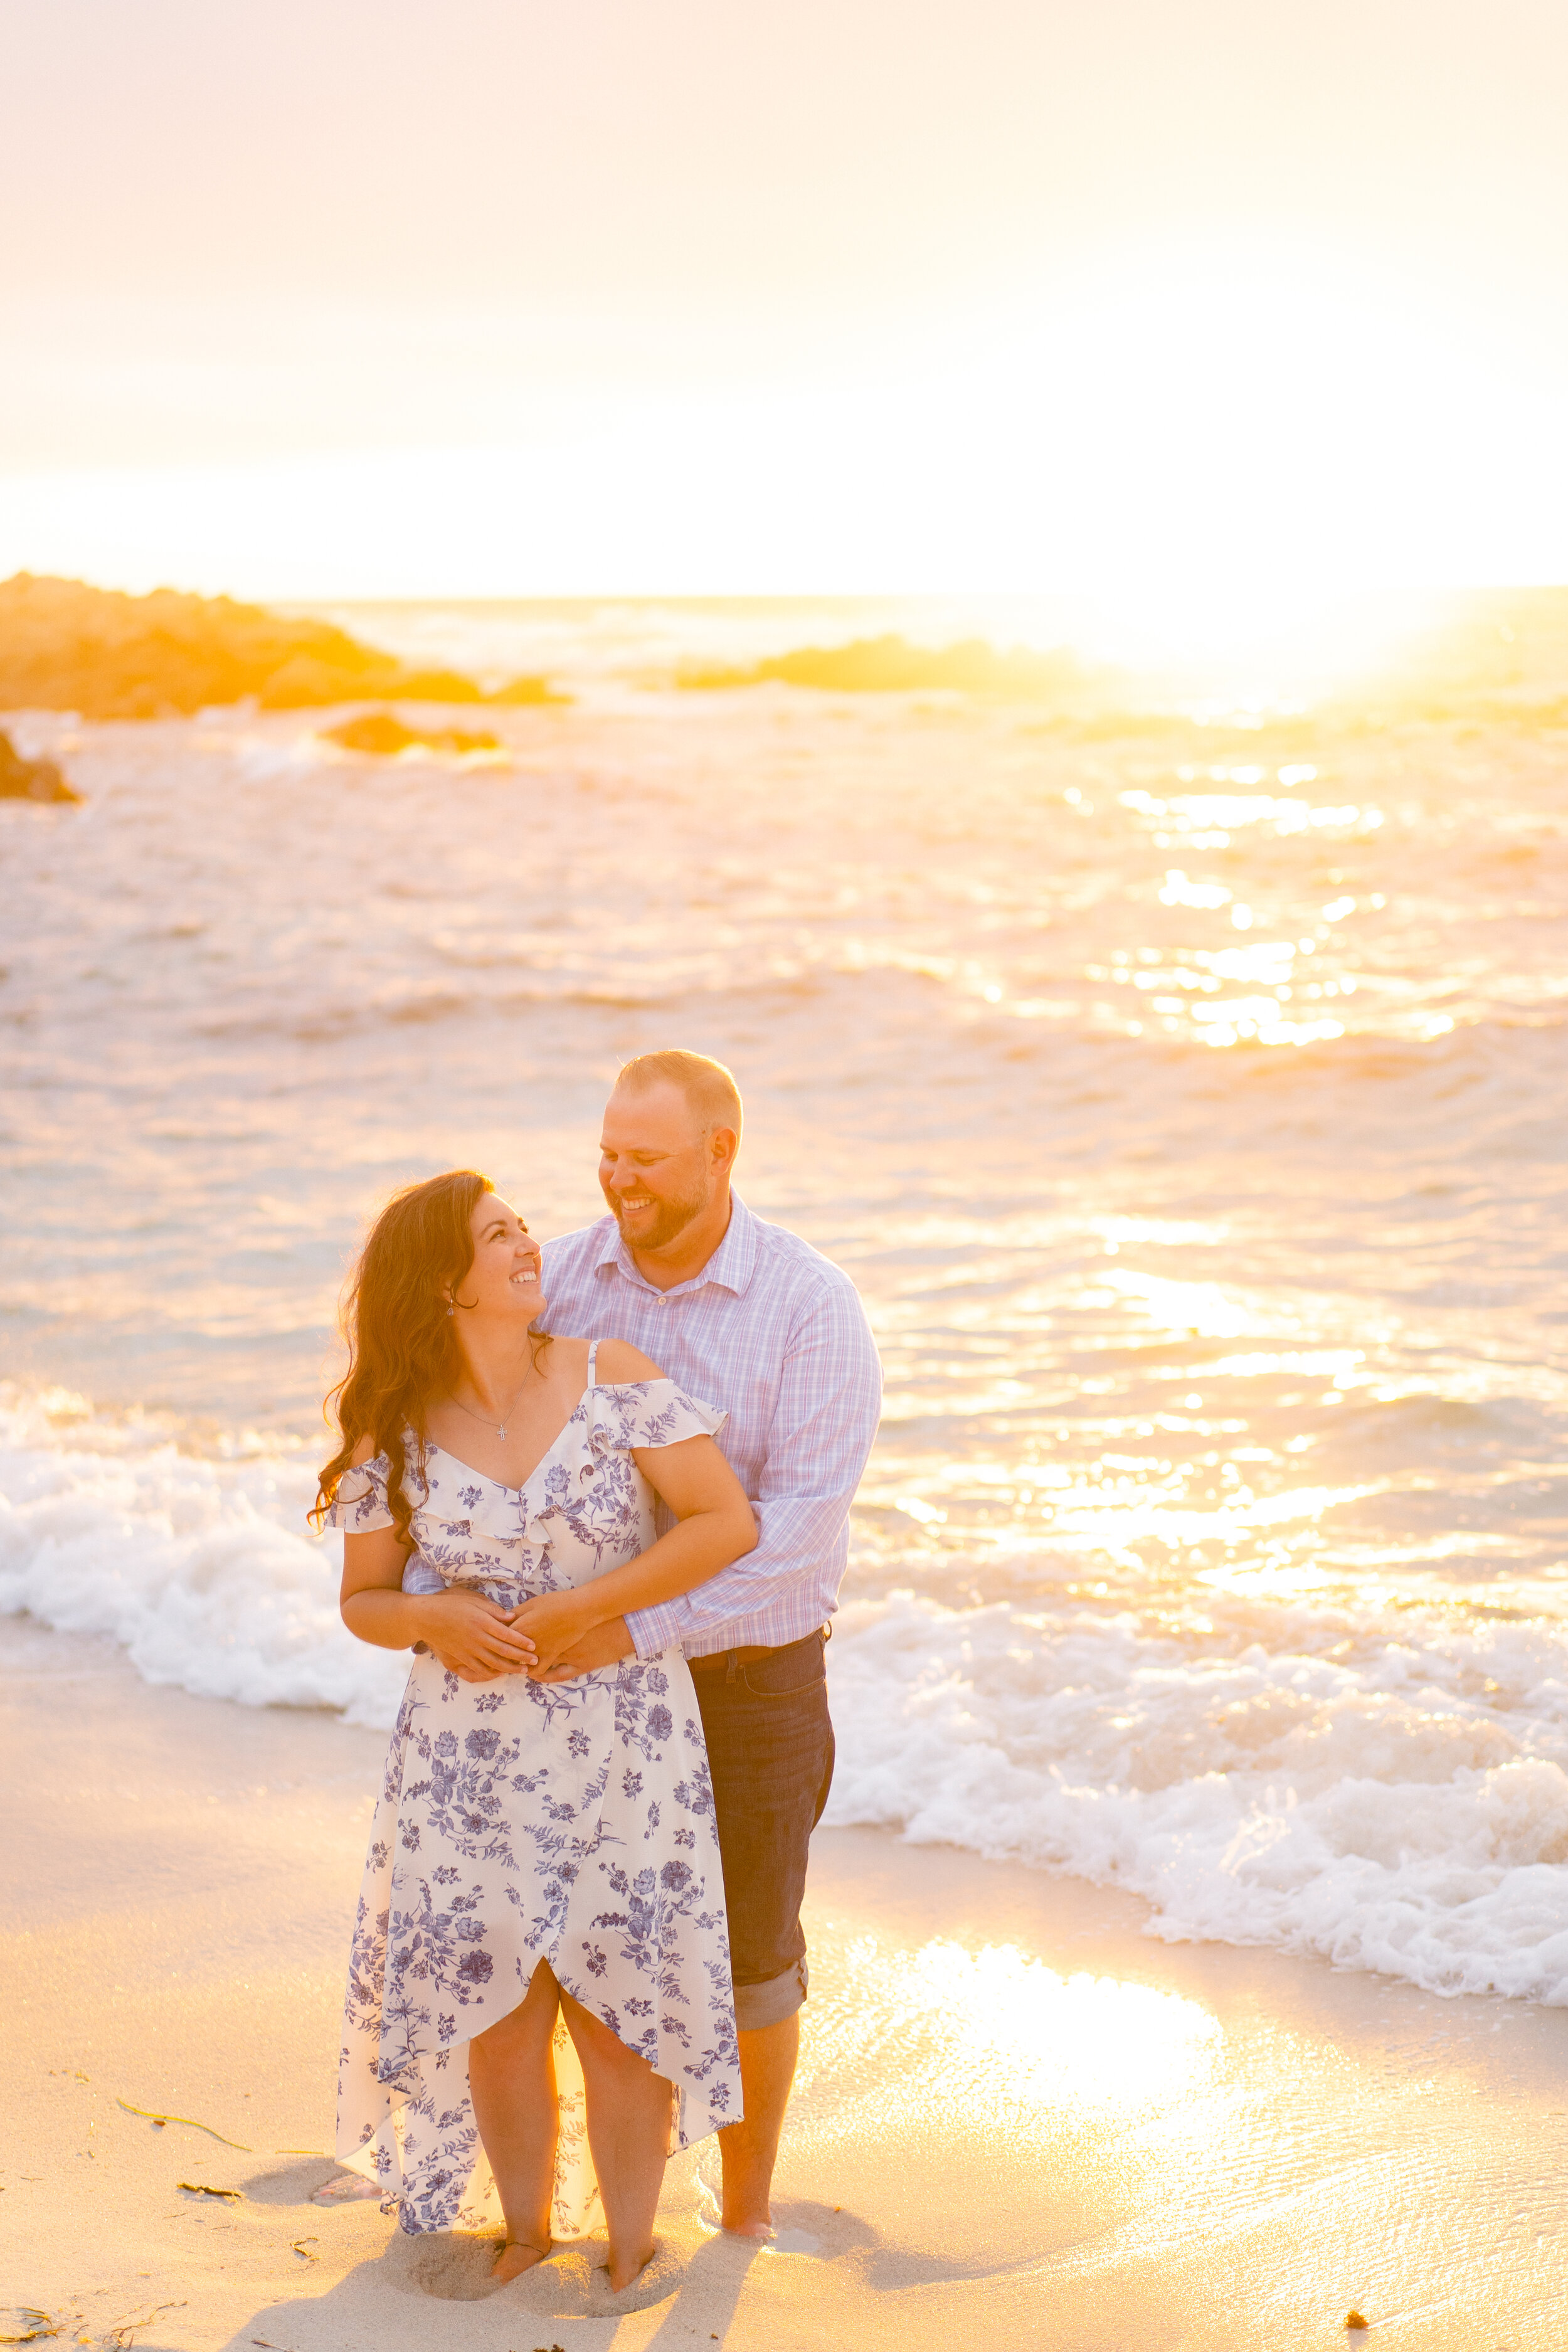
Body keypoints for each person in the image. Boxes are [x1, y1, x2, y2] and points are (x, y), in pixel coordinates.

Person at [314, 1167, 760, 2292]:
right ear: (444, 1283)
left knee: (618, 2002)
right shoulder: (392, 1427)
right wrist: (430, 1615)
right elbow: (364, 1600)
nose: (529, 1246)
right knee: (498, 2007)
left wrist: (591, 1604)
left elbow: (724, 1520)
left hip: (625, 1736)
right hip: (466, 1752)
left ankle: (628, 2250)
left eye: (521, 1228)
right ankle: (523, 2235)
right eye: (498, 1235)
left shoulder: (614, 1376)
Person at [471, 1050, 884, 2239]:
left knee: (753, 1957)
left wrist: (633, 1627)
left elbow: (797, 1546)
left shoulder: (809, 1305)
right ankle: (605, 2212)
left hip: (747, 1684)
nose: (618, 1179)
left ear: (721, 1152)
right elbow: (489, 1429)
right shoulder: (560, 1280)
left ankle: (744, 2214)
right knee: (584, 1952)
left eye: (644, 1158)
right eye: (607, 1153)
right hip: (578, 1687)